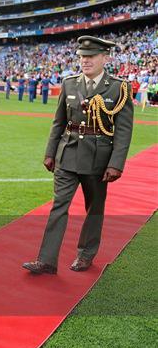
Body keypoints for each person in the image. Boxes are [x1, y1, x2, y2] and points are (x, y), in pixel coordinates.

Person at [23, 36, 134, 274]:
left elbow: (124, 131)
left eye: (91, 56)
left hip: (98, 158)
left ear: (105, 58)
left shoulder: (118, 87)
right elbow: (58, 122)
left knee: (94, 208)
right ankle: (46, 260)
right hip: (68, 153)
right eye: (82, 57)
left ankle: (86, 254)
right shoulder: (70, 83)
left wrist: (116, 164)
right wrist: (50, 152)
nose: (85, 61)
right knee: (58, 206)